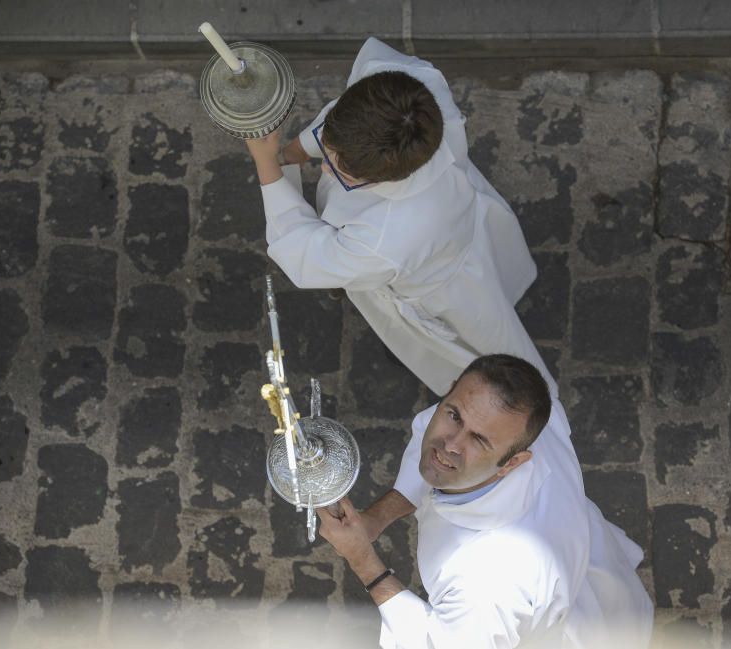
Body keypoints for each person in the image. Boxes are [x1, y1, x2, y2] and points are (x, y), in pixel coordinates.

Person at [245, 38, 554, 397]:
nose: (326, 170)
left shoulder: (384, 240)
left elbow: (304, 251)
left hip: (437, 282)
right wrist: (291, 153)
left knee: (480, 342)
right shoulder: (405, 91)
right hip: (464, 220)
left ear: (385, 178)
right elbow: (340, 118)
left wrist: (267, 162)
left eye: (340, 172)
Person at [316, 354, 654, 649]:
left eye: (478, 440)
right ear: (450, 391)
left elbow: (434, 642)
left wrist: (363, 559)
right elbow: (431, 450)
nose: (450, 445)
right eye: (453, 416)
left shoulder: (489, 582)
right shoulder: (529, 415)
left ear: (514, 462)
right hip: (587, 563)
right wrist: (376, 519)